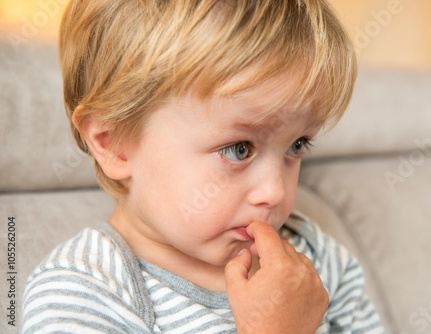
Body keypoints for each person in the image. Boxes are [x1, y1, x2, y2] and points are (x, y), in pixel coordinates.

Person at [21, 0, 385, 333]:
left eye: (297, 144)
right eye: (239, 149)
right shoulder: (85, 291)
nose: (275, 191)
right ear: (114, 145)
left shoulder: (312, 256)